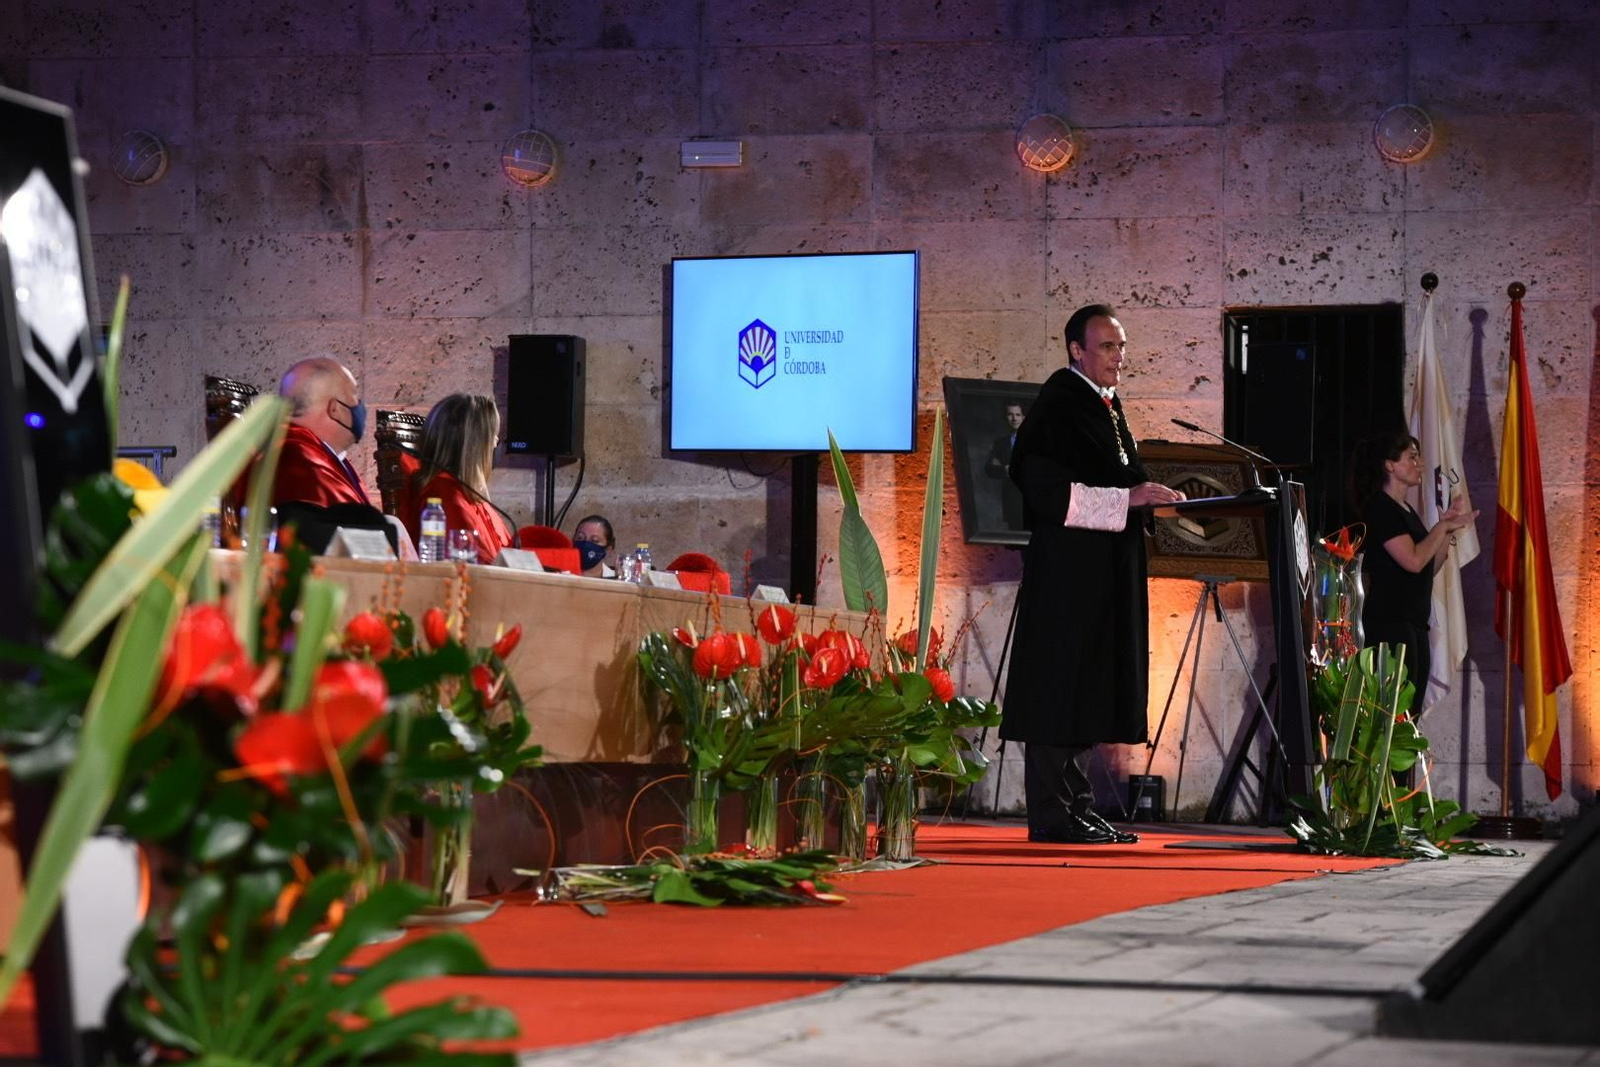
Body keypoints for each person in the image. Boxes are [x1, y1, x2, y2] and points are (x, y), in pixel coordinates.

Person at [1001, 304, 1185, 845]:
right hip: (1068, 574)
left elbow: (1121, 476)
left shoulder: (1104, 403)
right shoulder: (1060, 403)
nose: (1118, 356)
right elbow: (1043, 489)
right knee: (1062, 684)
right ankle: (1054, 814)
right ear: (1076, 351)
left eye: (1122, 346)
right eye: (1107, 346)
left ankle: (1078, 805)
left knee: (1089, 685)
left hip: (1102, 569)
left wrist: (1151, 498)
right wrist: (1129, 498)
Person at [1352, 431, 1477, 715]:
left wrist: (1446, 528)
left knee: (1410, 718)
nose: (1420, 463)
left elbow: (1430, 566)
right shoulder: (1381, 509)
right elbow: (1412, 561)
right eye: (1412, 457)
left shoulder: (1405, 510)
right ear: (1390, 465)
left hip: (1414, 626)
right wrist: (1440, 529)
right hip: (1390, 628)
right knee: (1394, 718)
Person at [399, 394, 514, 564]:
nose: (496, 444)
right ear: (473, 447)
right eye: (492, 436)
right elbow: (477, 565)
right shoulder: (446, 498)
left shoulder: (467, 493)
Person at [273, 357, 373, 509]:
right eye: (353, 394)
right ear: (335, 409)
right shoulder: (303, 465)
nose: (359, 403)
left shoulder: (307, 451)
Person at [985, 402, 1028, 530]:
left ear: (1023, 417)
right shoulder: (1000, 443)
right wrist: (1005, 469)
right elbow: (989, 469)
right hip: (1011, 500)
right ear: (1006, 417)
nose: (1014, 418)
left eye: (1017, 415)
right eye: (1010, 414)